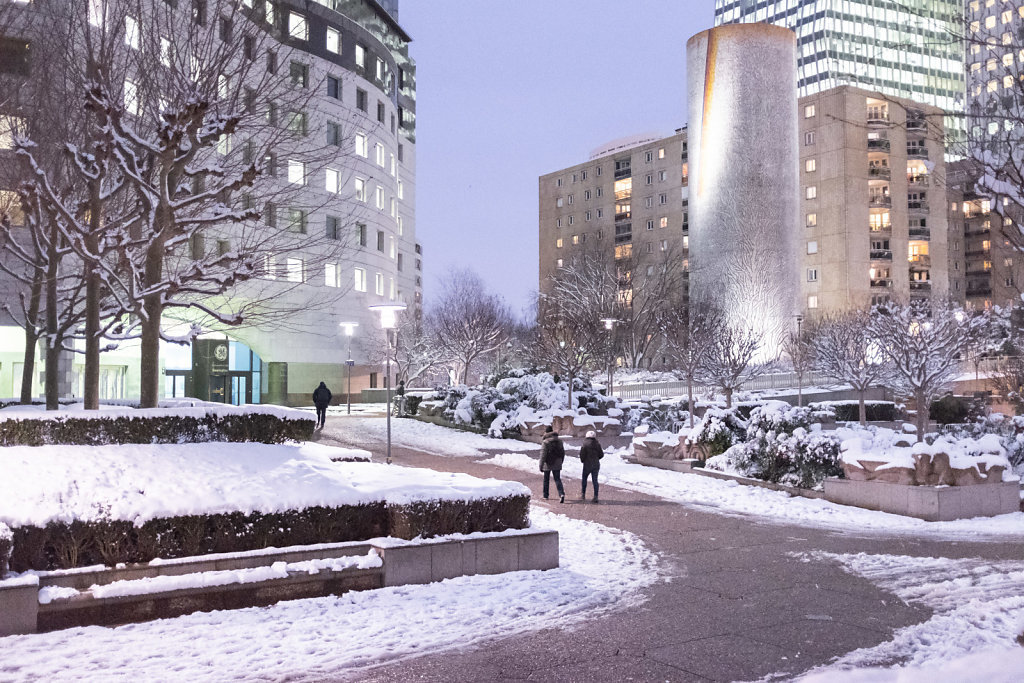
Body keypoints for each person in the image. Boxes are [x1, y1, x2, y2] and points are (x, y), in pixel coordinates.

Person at [539, 425, 565, 503]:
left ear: (546, 432)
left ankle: (545, 495)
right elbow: (563, 453)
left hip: (548, 463)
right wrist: (561, 462)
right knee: (557, 479)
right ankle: (561, 494)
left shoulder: (545, 442)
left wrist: (541, 465)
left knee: (546, 480)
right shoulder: (559, 441)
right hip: (557, 462)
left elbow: (543, 455)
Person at [579, 430, 604, 503]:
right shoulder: (597, 444)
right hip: (596, 464)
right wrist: (596, 459)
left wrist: (583, 460)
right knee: (595, 480)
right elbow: (601, 455)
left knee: (584, 479)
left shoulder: (585, 444)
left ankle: (583, 494)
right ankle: (595, 496)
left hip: (587, 464)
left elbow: (582, 454)